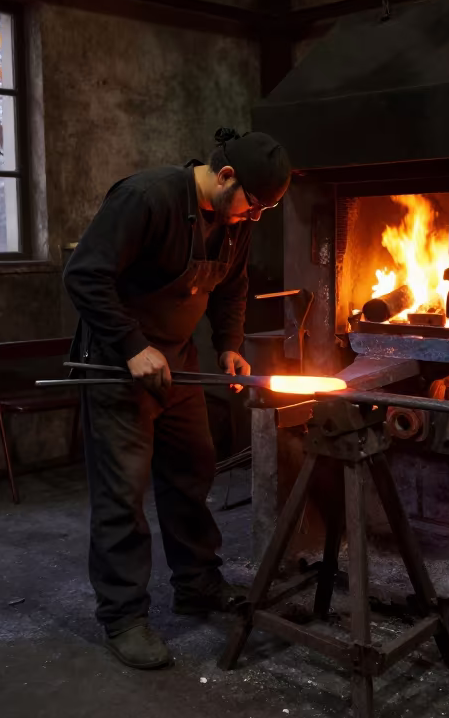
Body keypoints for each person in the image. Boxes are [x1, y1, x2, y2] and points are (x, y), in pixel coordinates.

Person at [63, 128, 291, 669]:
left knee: (192, 470)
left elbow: (232, 287)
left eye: (264, 211)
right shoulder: (146, 198)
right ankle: (124, 617)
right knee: (123, 493)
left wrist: (229, 344)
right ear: (226, 176)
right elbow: (85, 275)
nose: (254, 217)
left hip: (179, 362)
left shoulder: (235, 224)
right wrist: (132, 346)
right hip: (117, 364)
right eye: (253, 205)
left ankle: (196, 584)